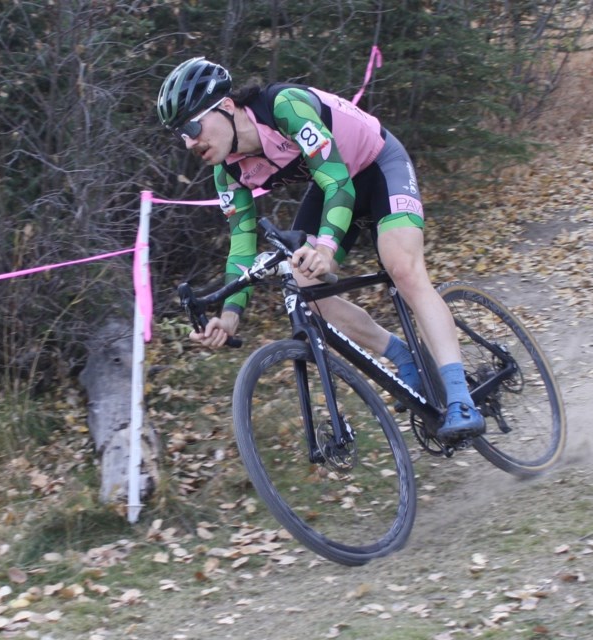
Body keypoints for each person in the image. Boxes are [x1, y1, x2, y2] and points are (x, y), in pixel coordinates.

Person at [156, 57, 485, 440]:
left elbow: (338, 184)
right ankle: (401, 356)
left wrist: (326, 248)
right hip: (333, 184)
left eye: (193, 126)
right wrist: (229, 316)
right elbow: (241, 244)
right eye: (181, 134)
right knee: (304, 285)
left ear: (226, 106)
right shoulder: (227, 171)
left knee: (403, 268)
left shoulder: (285, 106)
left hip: (378, 166)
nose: (190, 141)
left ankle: (462, 399)